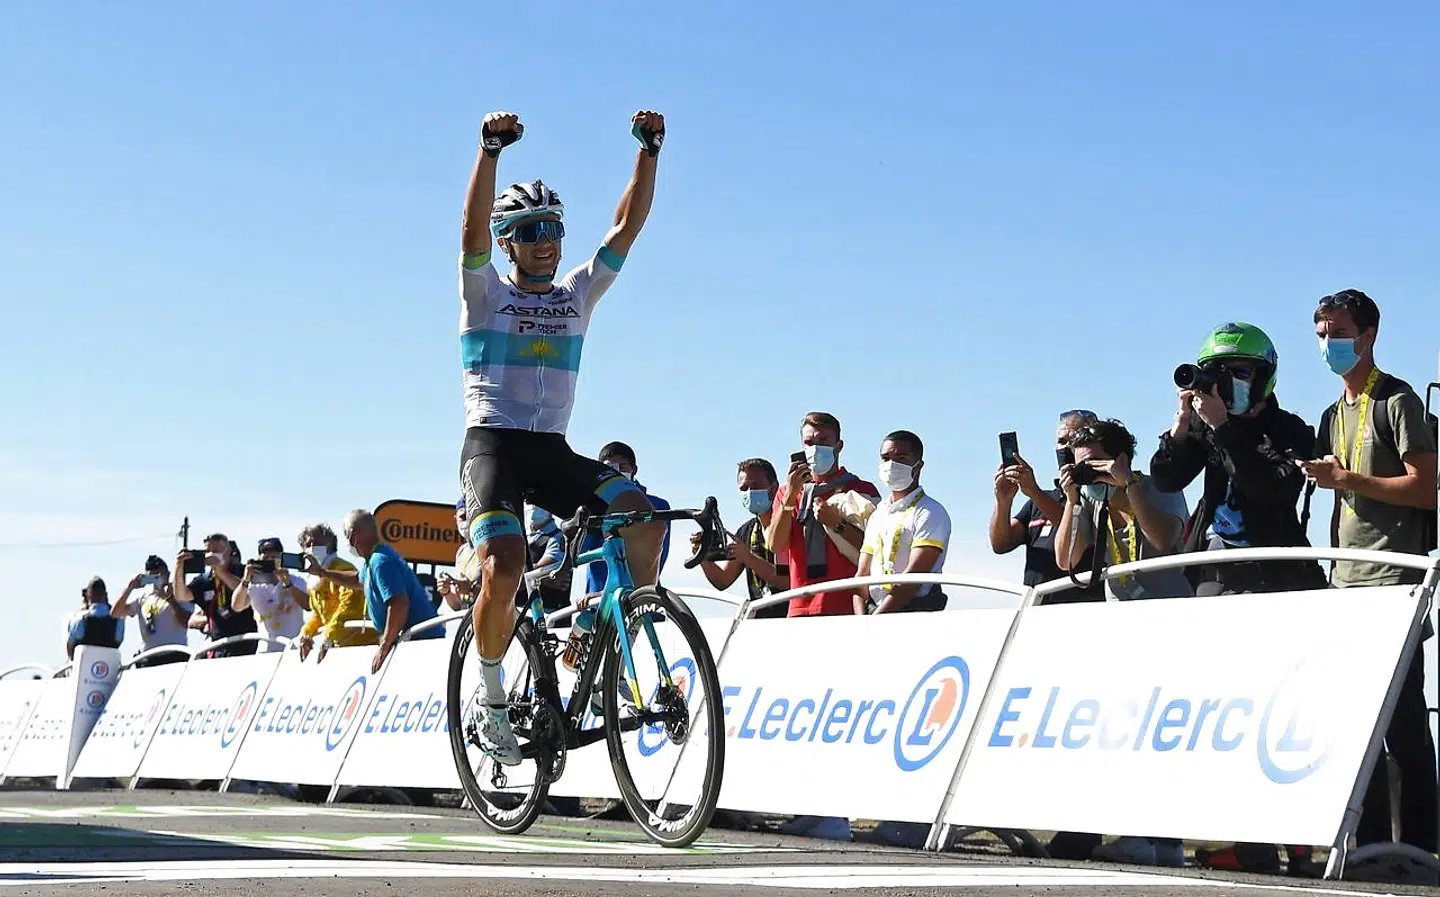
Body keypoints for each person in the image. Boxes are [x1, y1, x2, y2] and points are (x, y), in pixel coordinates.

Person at [453, 109, 667, 765]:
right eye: (531, 232)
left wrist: (649, 151)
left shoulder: (576, 294)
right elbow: (469, 236)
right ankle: (487, 697)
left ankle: (621, 623)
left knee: (644, 513)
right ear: (509, 242)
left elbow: (626, 228)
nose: (547, 241)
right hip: (493, 448)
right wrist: (490, 153)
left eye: (554, 229)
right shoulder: (485, 294)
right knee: (506, 567)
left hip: (551, 450)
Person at [1300, 289, 1438, 857]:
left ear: (1368, 334)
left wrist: (1348, 481)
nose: (1329, 344)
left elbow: (1426, 488)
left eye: (1338, 332)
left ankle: (1423, 849)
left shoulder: (1398, 400)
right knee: (1360, 724)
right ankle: (1374, 844)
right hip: (1347, 582)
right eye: (1321, 334)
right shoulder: (1332, 414)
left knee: (1403, 722)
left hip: (1395, 581)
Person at [1054, 419, 1190, 868]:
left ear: (1122, 457)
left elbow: (1165, 539)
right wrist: (1074, 499)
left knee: (1163, 740)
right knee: (1128, 736)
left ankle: (1162, 840)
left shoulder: (1155, 486)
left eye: (1096, 464)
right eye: (1080, 467)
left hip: (1169, 628)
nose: (1091, 475)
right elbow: (1066, 559)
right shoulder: (1091, 504)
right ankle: (1139, 830)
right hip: (1123, 634)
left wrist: (1128, 486)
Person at [1150, 323, 1328, 595]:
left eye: (1240, 372)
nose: (1227, 383)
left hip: (1278, 571)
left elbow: (1267, 488)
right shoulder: (1205, 425)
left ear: (1263, 377)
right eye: (1218, 374)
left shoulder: (1290, 430)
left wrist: (1223, 428)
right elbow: (1166, 480)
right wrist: (1180, 429)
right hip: (1215, 565)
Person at [768, 411, 882, 618]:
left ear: (838, 446)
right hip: (800, 605)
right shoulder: (787, 492)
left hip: (848, 605)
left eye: (823, 441)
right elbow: (776, 545)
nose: (815, 448)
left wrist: (837, 523)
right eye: (809, 442)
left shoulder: (861, 490)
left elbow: (875, 549)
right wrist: (791, 495)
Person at [311, 510, 442, 676]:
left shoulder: (380, 561)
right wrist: (324, 573)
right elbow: (359, 579)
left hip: (422, 644)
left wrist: (385, 645)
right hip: (414, 643)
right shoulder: (373, 559)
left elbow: (399, 604)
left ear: (352, 536)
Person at [991, 410, 1101, 604]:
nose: (1066, 447)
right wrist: (1003, 501)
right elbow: (1001, 544)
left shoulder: (1099, 495)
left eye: (1073, 440)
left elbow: (1079, 528)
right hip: (1035, 611)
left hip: (1082, 610)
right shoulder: (1038, 502)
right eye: (1061, 441)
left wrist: (1034, 491)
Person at [854, 430, 951, 615]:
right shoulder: (878, 514)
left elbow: (911, 581)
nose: (891, 465)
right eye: (885, 458)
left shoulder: (931, 512)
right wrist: (862, 622)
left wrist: (875, 621)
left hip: (913, 613)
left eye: (901, 458)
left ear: (918, 465)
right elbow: (861, 577)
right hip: (872, 613)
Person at [693, 458, 790, 619]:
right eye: (744, 488)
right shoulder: (746, 530)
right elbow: (723, 580)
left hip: (791, 618)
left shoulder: (789, 524)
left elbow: (790, 582)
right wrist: (702, 555)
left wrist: (748, 558)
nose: (750, 493)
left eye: (756, 486)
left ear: (773, 489)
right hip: (760, 621)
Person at [581, 441, 672, 598]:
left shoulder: (657, 505)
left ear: (634, 470)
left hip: (640, 595)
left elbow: (659, 554)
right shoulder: (592, 505)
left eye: (622, 468)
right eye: (610, 469)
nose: (616, 473)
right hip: (598, 600)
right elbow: (582, 548)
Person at [296, 523, 375, 663]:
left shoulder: (342, 569)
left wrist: (328, 635)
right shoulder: (313, 579)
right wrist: (306, 633)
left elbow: (350, 607)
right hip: (339, 646)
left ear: (330, 544)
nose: (313, 547)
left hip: (363, 646)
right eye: (308, 544)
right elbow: (318, 615)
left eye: (318, 542)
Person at [175, 534, 257, 658]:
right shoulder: (203, 580)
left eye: (216, 551)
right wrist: (179, 566)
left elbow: (247, 591)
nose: (211, 555)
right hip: (217, 646)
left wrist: (221, 572)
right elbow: (181, 595)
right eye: (208, 551)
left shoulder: (243, 571)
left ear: (229, 551)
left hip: (245, 644)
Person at [113, 555, 193, 665]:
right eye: (152, 576)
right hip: (148, 658)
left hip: (175, 656)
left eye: (159, 575)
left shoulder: (180, 593)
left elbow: (186, 622)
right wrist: (129, 588)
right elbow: (116, 613)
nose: (157, 579)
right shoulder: (143, 597)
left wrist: (171, 600)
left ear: (168, 574)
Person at [232, 537, 307, 652]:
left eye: (274, 558)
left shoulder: (297, 581)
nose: (270, 562)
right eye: (266, 559)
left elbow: (308, 605)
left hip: (293, 649)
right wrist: (245, 580)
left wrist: (288, 583)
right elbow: (237, 606)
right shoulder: (253, 585)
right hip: (266, 651)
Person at [524, 504, 572, 613]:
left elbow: (544, 570)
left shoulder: (559, 537)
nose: (532, 508)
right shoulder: (523, 537)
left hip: (550, 612)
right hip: (526, 608)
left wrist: (533, 574)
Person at [438, 497, 481, 611]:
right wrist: (446, 591)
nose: (467, 522)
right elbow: (457, 605)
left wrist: (470, 589)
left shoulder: (487, 546)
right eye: (463, 517)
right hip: (466, 621)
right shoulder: (461, 552)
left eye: (471, 517)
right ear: (455, 519)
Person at [66, 576, 123, 659]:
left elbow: (70, 648)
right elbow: (118, 642)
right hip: (108, 668)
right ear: (105, 595)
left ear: (88, 596)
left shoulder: (79, 620)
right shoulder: (119, 621)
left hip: (83, 669)